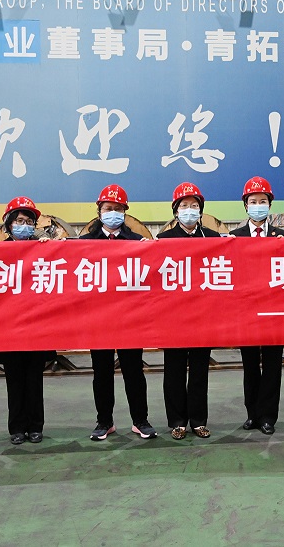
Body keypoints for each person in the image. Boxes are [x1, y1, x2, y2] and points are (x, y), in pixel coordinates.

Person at [78, 184, 158, 441]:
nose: (112, 213)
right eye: (108, 208)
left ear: (125, 211)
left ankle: (140, 420)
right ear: (99, 211)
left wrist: (152, 250)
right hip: (99, 319)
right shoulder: (84, 244)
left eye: (117, 208)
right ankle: (104, 422)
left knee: (133, 371)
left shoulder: (137, 242)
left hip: (129, 319)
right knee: (101, 372)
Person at [156, 182, 220, 439]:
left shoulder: (214, 239)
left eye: (194, 206)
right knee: (173, 370)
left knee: (199, 371)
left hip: (203, 317)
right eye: (184, 205)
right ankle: (177, 421)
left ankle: (198, 420)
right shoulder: (163, 241)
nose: (189, 210)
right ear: (176, 210)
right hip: (173, 318)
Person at [229, 176, 284, 435]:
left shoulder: (282, 237)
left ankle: (268, 417)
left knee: (273, 365)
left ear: (269, 204)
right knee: (250, 365)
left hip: (275, 310)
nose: (257, 206)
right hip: (247, 311)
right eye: (253, 201)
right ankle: (252, 414)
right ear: (246, 205)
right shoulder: (234, 237)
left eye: (262, 201)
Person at [0, 196, 52, 445]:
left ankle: (36, 426)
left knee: (34, 378)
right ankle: (17, 427)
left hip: (37, 326)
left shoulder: (42, 249)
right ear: (9, 224)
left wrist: (51, 247)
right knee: (14, 379)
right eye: (19, 221)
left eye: (29, 222)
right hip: (9, 328)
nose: (24, 226)